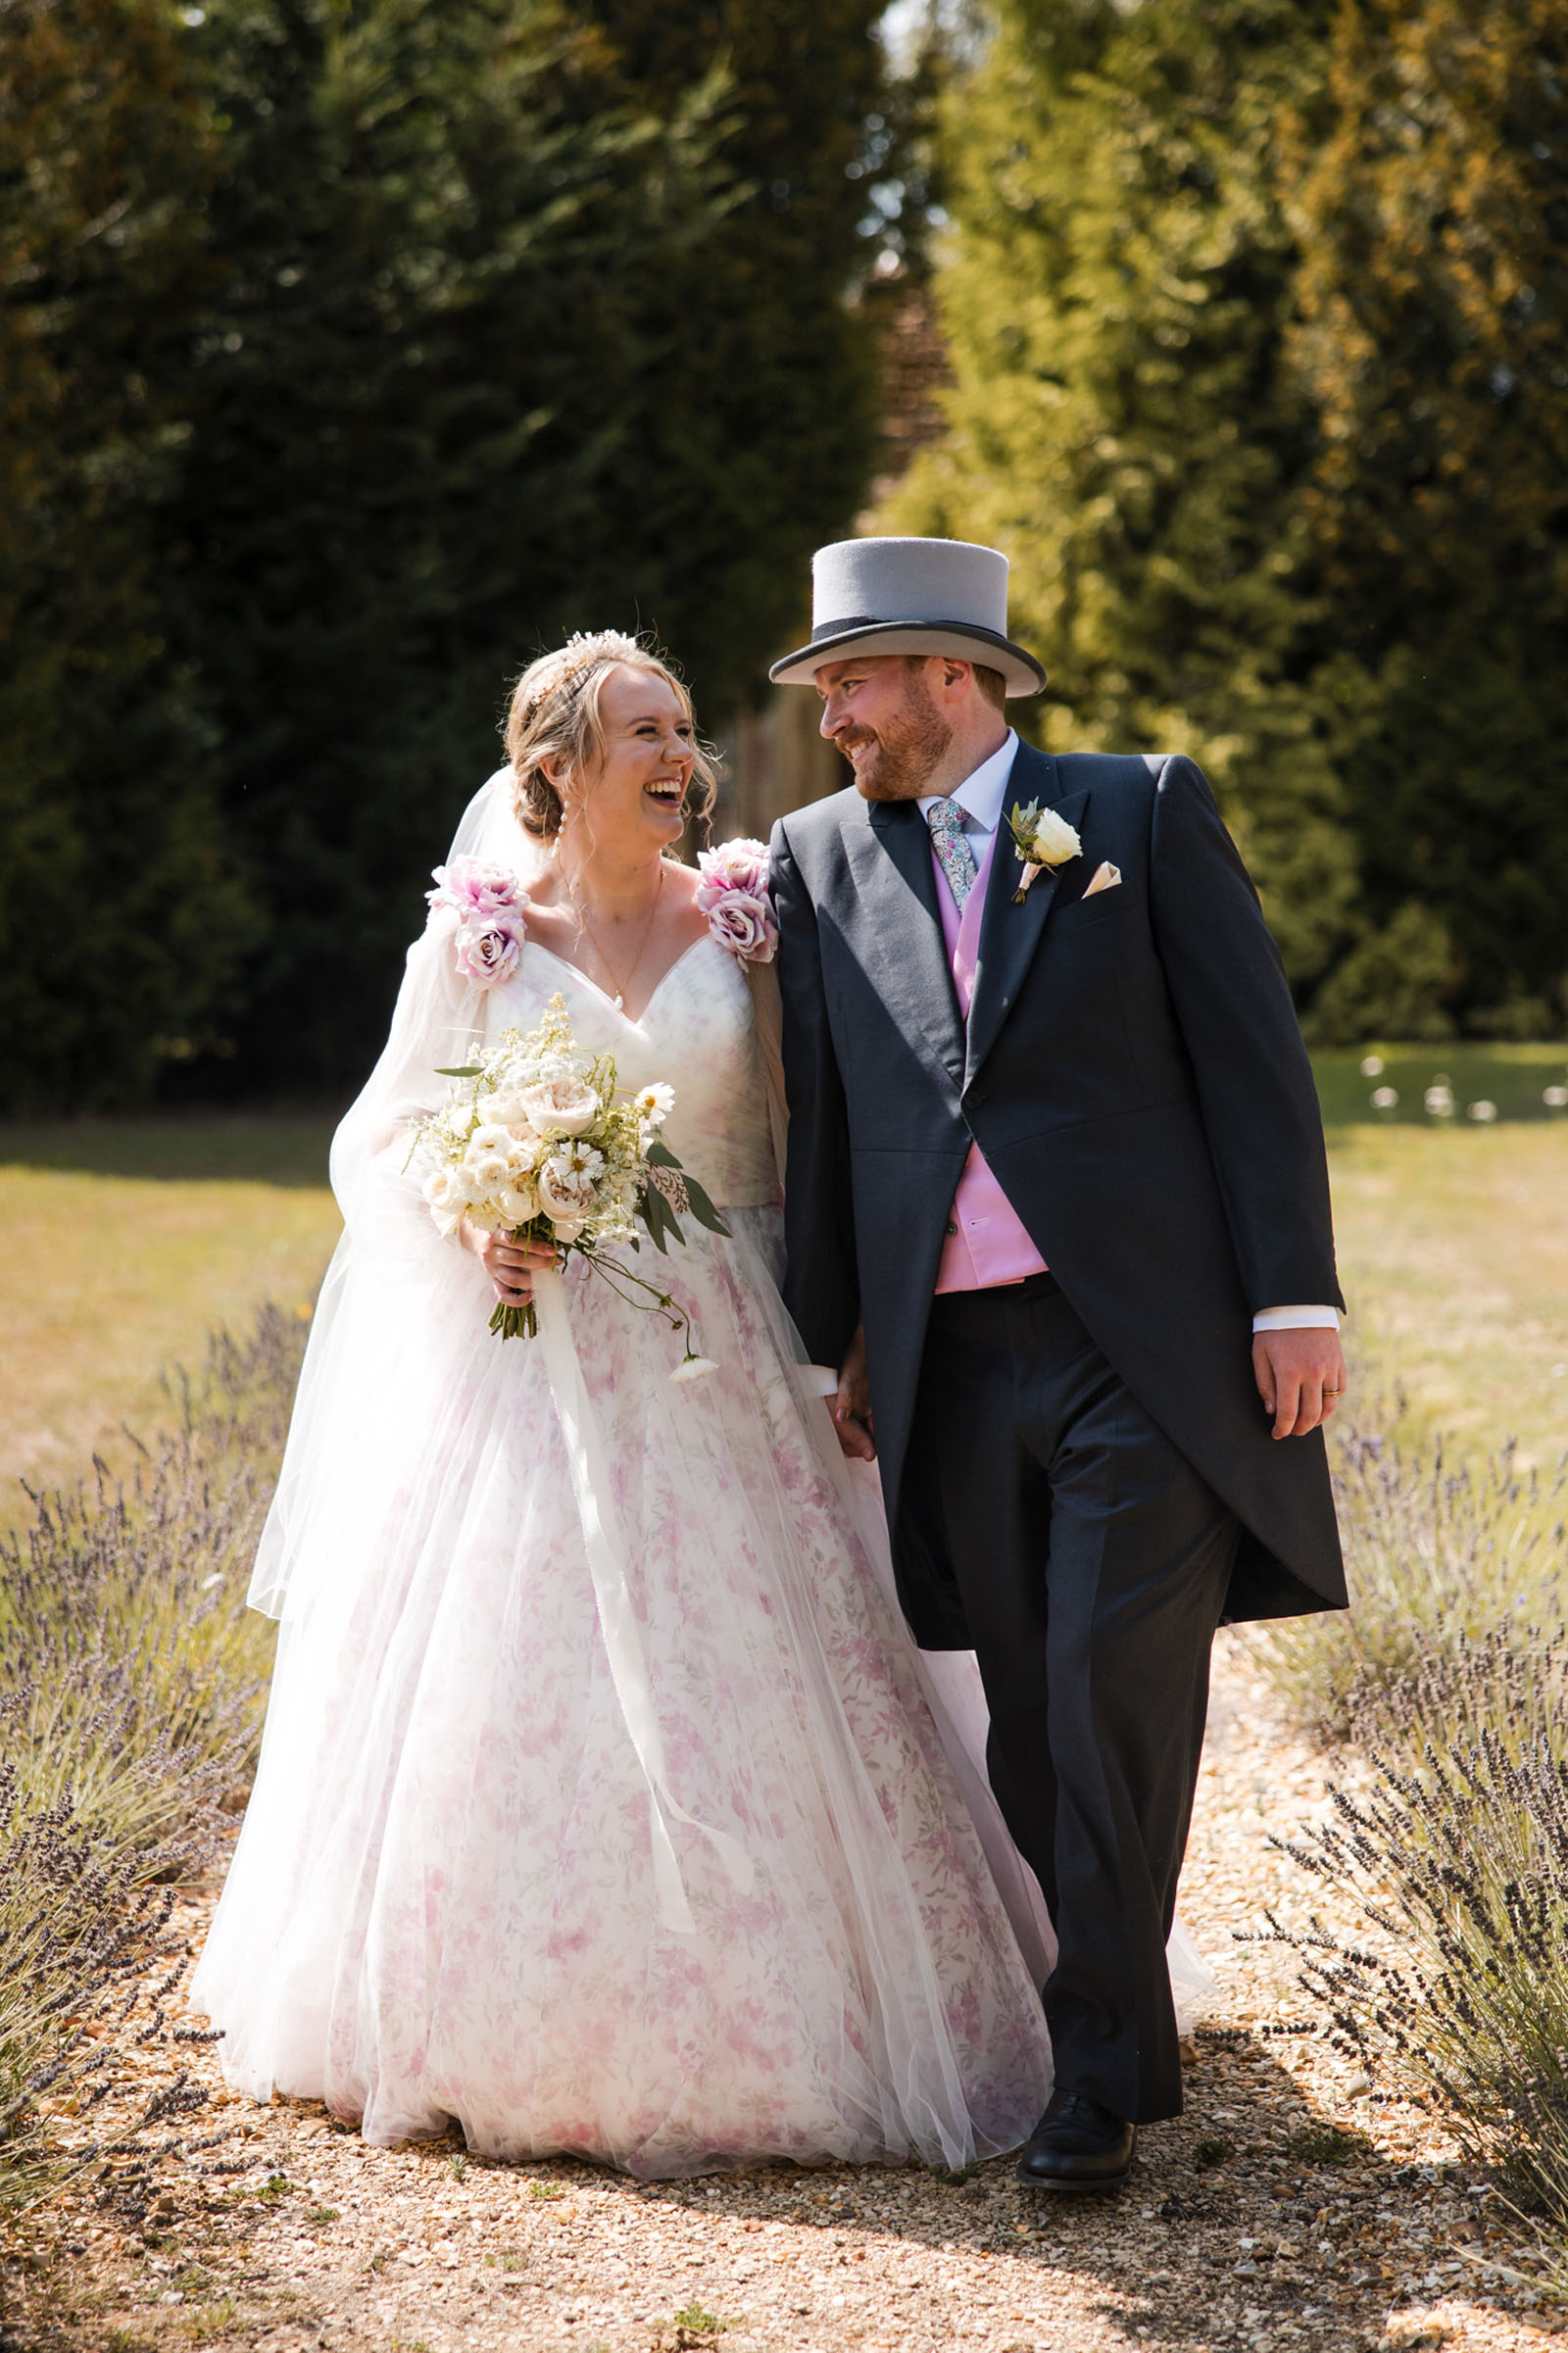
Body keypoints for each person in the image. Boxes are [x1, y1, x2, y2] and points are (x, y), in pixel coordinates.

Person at [189, 630, 1059, 2178]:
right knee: (521, 1677)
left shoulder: (745, 922)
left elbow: (827, 1136)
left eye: (683, 731)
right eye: (643, 731)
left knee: (794, 1674)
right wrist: (475, 1218)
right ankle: (515, 2019)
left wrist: (855, 1325)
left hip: (733, 1346)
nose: (681, 756)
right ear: (560, 767)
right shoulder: (477, 940)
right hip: (537, 1357)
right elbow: (378, 1139)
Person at [767, 536, 1348, 2193]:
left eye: (851, 683)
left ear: (952, 675)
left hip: (1138, 1342)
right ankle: (1112, 2002)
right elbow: (834, 1114)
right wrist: (844, 1342)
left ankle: (1095, 2072)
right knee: (1026, 1709)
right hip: (951, 1358)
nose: (833, 721)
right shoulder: (819, 854)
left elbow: (1256, 1061)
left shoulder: (1138, 810)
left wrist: (1292, 1293)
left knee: (1106, 1681)